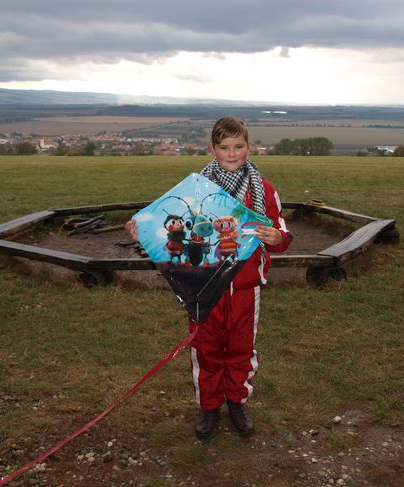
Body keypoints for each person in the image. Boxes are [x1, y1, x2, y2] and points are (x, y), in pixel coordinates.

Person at [125, 116, 292, 440]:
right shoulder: (196, 190)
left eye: (239, 146)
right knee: (207, 348)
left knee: (242, 347)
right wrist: (139, 231)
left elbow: (281, 230)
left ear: (249, 146)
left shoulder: (264, 189)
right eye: (224, 147)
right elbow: (168, 227)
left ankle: (237, 402)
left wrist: (277, 238)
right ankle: (210, 406)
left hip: (245, 286)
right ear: (213, 149)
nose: (232, 153)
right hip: (202, 286)